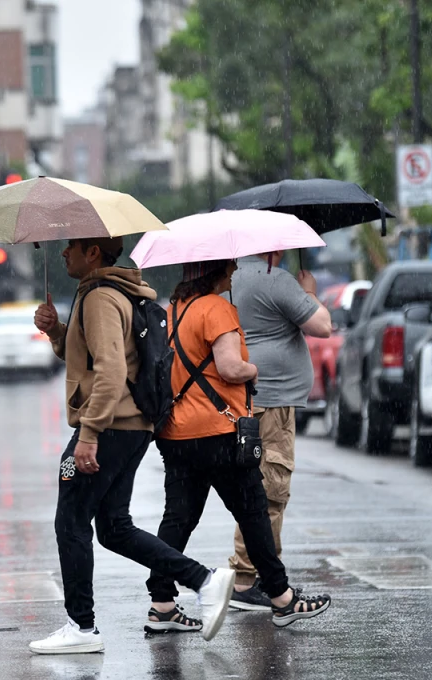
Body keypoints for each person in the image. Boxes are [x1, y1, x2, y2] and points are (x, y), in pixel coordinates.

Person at [29, 237, 236, 654]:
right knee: (113, 529)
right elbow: (92, 358)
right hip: (129, 425)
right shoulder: (115, 291)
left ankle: (81, 628)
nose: (64, 253)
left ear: (93, 253)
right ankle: (204, 580)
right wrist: (57, 333)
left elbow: (110, 369)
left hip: (107, 428)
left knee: (70, 521)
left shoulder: (100, 297)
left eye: (72, 247)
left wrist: (88, 435)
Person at [144, 260, 331, 631]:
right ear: (212, 272)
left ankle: (162, 604)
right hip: (216, 432)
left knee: (178, 519)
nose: (233, 272)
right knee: (253, 512)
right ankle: (281, 598)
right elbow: (230, 367)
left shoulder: (174, 310)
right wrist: (253, 369)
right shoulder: (217, 308)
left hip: (177, 433)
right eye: (227, 267)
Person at [226, 252, 332, 610]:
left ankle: (260, 577)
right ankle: (249, 578)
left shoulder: (232, 277)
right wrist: (311, 292)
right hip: (271, 402)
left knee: (254, 486)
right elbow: (323, 326)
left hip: (248, 400)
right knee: (270, 489)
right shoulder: (274, 279)